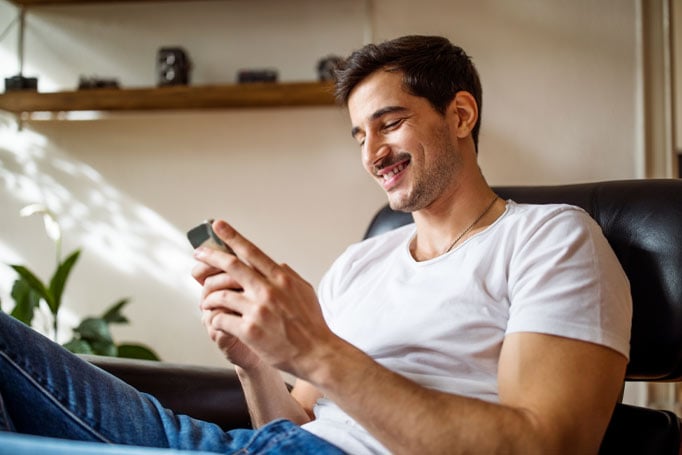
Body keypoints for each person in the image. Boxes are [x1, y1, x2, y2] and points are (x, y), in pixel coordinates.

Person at [0, 35, 631, 455]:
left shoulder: (549, 238)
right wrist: (254, 361)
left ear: (461, 115)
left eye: (390, 123)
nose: (373, 154)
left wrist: (316, 349)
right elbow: (295, 425)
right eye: (359, 135)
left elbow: (545, 444)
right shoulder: (365, 261)